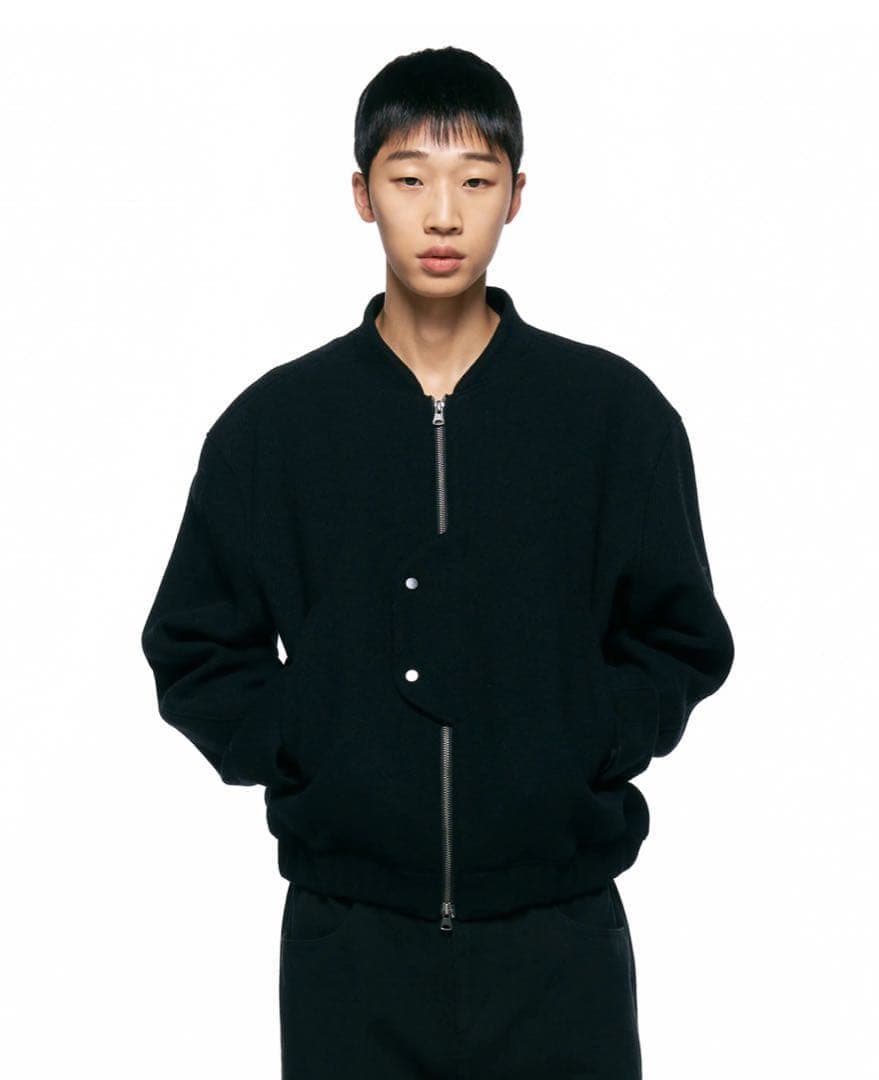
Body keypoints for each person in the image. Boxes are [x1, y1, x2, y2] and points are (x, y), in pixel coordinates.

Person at [141, 44, 735, 1079]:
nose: (444, 215)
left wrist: (588, 735)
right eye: (410, 179)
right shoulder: (276, 428)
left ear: (517, 195)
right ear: (361, 195)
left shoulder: (610, 416)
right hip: (348, 939)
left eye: (476, 181)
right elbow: (194, 646)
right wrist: (313, 743)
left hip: (559, 935)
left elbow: (680, 637)